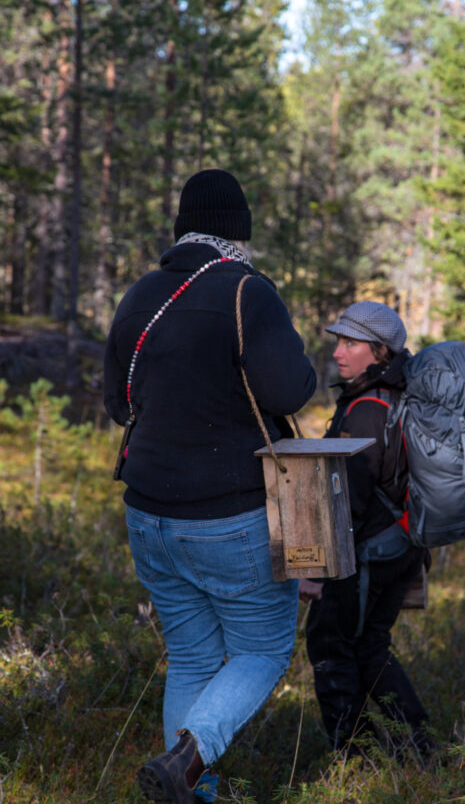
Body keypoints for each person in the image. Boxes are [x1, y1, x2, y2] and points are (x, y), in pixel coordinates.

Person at [103, 168, 316, 804]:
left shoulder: (141, 293)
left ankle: (188, 793)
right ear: (238, 232)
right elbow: (291, 390)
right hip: (230, 517)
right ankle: (189, 760)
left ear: (182, 227)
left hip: (147, 516)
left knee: (193, 658)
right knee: (264, 651)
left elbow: (119, 403)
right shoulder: (247, 290)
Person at [301, 301, 432, 762]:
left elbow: (346, 502)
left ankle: (353, 759)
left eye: (350, 343)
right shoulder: (394, 398)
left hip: (367, 554)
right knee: (370, 646)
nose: (339, 351)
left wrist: (316, 568)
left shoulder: (366, 410)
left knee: (331, 644)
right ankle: (419, 752)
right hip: (399, 547)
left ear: (379, 352)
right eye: (339, 340)